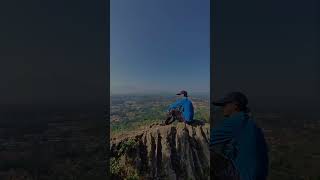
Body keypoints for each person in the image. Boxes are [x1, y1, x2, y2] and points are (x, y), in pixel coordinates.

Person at [210, 92, 269, 180]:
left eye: (225, 104)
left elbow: (207, 139)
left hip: (243, 175)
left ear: (235, 105)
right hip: (258, 175)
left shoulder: (236, 121)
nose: (222, 107)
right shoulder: (250, 122)